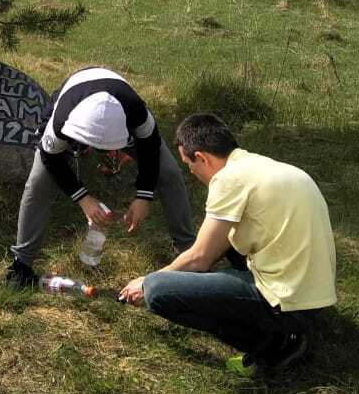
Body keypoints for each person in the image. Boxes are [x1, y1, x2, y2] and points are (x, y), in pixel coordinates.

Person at [118, 113, 337, 375]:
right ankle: (281, 327)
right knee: (227, 240)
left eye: (190, 165)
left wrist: (146, 280)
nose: (192, 172)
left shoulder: (229, 178)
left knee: (158, 291)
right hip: (317, 296)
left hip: (288, 305)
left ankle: (273, 345)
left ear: (202, 157)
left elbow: (199, 257)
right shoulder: (262, 166)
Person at [5, 66, 195, 287]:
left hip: (121, 106)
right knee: (37, 184)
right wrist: (84, 199)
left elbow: (150, 148)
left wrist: (144, 195)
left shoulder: (137, 112)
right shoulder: (60, 119)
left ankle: (189, 254)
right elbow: (51, 159)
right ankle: (21, 264)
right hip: (74, 102)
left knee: (170, 173)